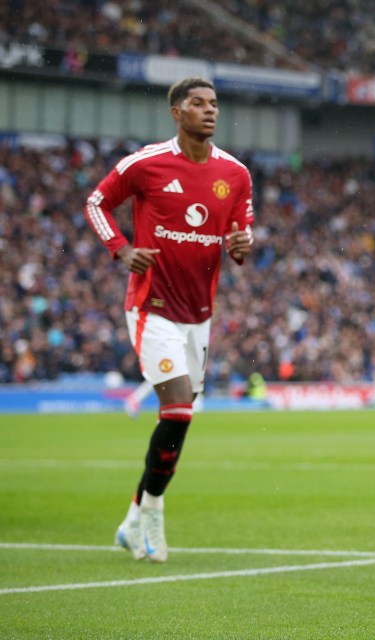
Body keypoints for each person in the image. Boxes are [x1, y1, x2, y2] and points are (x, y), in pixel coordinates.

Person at [84, 77, 254, 563]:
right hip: (152, 305)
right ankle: (154, 516)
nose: (210, 111)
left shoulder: (235, 173)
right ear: (176, 113)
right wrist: (121, 249)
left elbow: (241, 235)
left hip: (199, 314)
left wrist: (241, 246)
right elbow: (97, 202)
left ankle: (131, 519)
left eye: (215, 103)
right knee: (178, 409)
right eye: (198, 104)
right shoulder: (146, 163)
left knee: (180, 420)